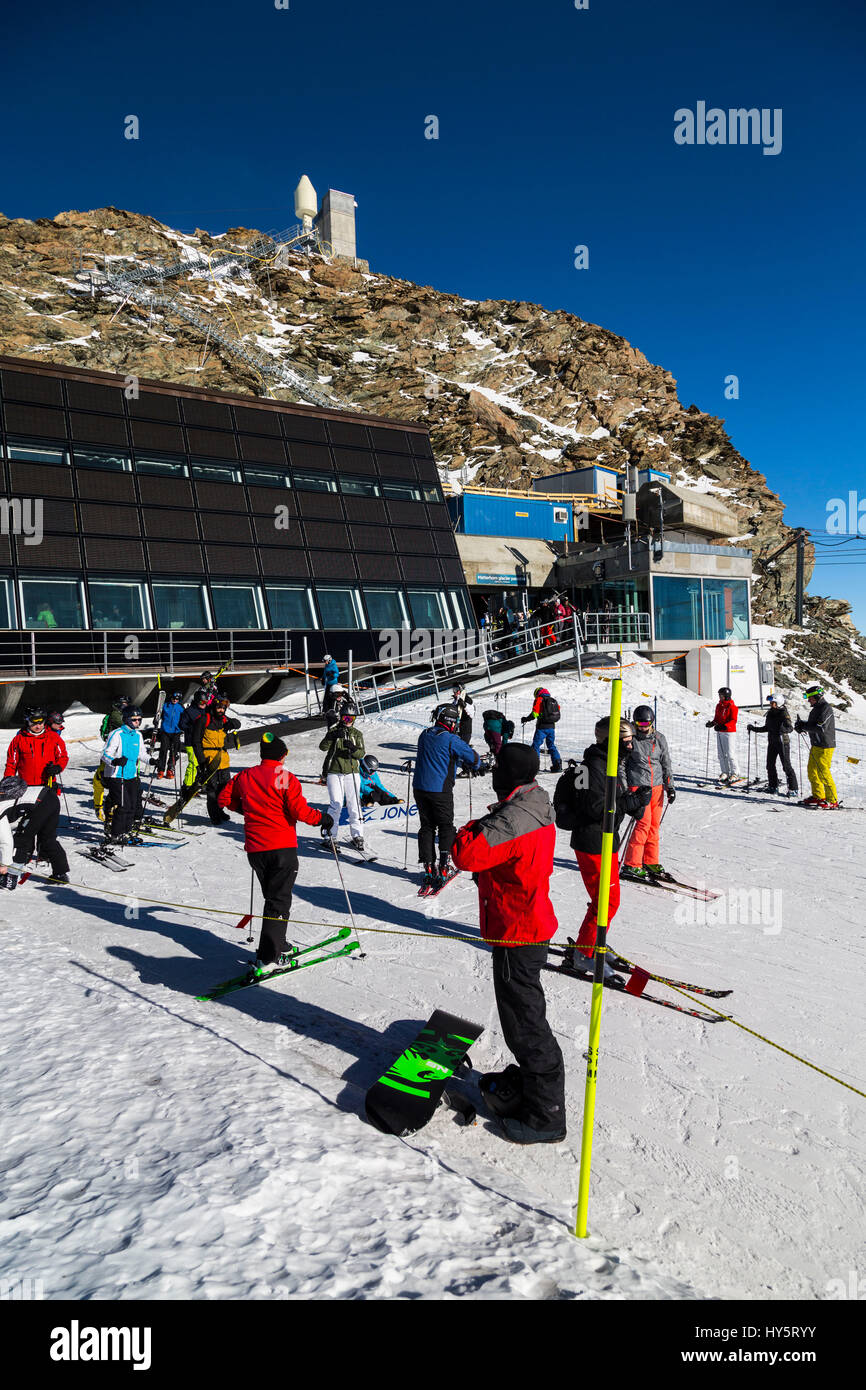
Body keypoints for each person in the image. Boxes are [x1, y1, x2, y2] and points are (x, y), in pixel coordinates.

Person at [452, 744, 565, 1145]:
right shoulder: (532, 800)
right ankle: (533, 1087)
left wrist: (472, 828)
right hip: (525, 920)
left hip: (518, 929)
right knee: (522, 1014)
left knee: (525, 1025)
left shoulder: (514, 817)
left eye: (499, 769)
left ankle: (546, 1115)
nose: (494, 774)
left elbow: (466, 854)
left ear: (511, 776)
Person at [218, 732, 333, 972]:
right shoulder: (283, 776)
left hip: (256, 849)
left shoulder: (246, 775)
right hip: (281, 846)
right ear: (282, 755)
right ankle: (269, 957)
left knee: (273, 898)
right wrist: (322, 818)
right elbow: (298, 811)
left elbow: (225, 798)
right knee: (278, 901)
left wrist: (246, 810)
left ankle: (277, 941)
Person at [553, 717, 651, 966]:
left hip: (604, 840)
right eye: (625, 742)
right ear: (610, 741)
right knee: (606, 901)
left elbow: (608, 802)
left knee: (606, 900)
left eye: (631, 741)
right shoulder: (596, 767)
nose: (630, 747)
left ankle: (595, 940)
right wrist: (631, 803)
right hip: (594, 841)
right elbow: (598, 810)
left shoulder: (607, 762)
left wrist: (633, 799)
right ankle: (583, 954)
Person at [411, 703, 481, 892]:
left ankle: (427, 867)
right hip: (439, 789)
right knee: (445, 826)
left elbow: (439, 755)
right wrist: (475, 765)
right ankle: (443, 867)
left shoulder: (424, 734)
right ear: (451, 722)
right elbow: (473, 758)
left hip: (419, 788)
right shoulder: (450, 739)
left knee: (426, 826)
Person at [3, 710, 70, 885]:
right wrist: (8, 785)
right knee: (26, 829)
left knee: (45, 833)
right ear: (27, 722)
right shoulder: (19, 739)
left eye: (40, 722)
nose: (38, 726)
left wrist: (57, 767)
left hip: (46, 789)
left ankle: (58, 870)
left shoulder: (53, 737)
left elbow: (63, 756)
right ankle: (23, 858)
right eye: (34, 723)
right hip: (25, 790)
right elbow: (11, 764)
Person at [620, 704, 675, 881]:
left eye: (646, 724)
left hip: (657, 787)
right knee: (643, 825)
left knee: (654, 826)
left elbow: (666, 763)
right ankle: (631, 864)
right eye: (639, 724)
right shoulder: (631, 739)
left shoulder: (659, 738)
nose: (643, 728)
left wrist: (670, 786)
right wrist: (625, 787)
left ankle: (650, 860)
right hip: (638, 787)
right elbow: (621, 765)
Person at [319, 699, 366, 851]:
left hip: (352, 772)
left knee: (354, 804)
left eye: (351, 719)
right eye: (345, 718)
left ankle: (357, 835)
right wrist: (331, 737)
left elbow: (361, 753)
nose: (348, 721)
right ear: (341, 717)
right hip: (334, 771)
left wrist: (352, 748)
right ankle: (330, 835)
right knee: (337, 804)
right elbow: (323, 747)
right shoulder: (334, 731)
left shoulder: (357, 734)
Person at [100, 705, 148, 845]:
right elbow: (105, 754)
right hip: (116, 775)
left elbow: (141, 754)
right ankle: (115, 834)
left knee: (132, 806)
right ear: (126, 720)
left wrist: (152, 760)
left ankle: (126, 832)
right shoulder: (116, 734)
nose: (137, 722)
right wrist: (114, 761)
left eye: (139, 719)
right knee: (123, 806)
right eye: (134, 720)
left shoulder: (138, 735)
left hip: (131, 775)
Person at [196, 696, 241, 825]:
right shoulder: (204, 719)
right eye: (219, 707)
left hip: (223, 760)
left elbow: (237, 723)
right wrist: (201, 761)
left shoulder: (224, 720)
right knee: (212, 790)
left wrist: (234, 723)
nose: (221, 710)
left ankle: (220, 810)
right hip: (209, 760)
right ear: (214, 707)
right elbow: (196, 742)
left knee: (224, 789)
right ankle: (214, 814)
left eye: (223, 708)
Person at [794, 685, 837, 808]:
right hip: (816, 744)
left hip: (825, 745)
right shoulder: (816, 709)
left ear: (817, 696)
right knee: (812, 771)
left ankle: (832, 799)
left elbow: (821, 727)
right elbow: (813, 725)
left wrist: (804, 726)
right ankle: (818, 796)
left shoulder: (826, 708)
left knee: (823, 772)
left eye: (810, 697)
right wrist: (802, 724)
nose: (808, 700)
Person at [748, 695, 798, 797]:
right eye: (770, 703)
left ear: (778, 703)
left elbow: (790, 728)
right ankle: (773, 786)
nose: (771, 705)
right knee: (770, 765)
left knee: (786, 766)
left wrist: (782, 729)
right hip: (772, 741)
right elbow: (767, 727)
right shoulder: (770, 712)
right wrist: (754, 729)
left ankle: (793, 789)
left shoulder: (783, 713)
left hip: (782, 742)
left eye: (773, 703)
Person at [706, 686, 743, 785]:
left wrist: (724, 726)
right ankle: (725, 772)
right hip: (720, 732)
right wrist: (712, 723)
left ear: (726, 696)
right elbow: (717, 718)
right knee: (721, 754)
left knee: (730, 753)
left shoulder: (732, 707)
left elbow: (733, 720)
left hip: (729, 732)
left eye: (721, 695)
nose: (720, 697)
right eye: (719, 695)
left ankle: (735, 773)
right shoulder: (719, 706)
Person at [521, 686, 562, 772]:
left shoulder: (539, 699)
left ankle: (535, 766)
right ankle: (557, 764)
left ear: (537, 693)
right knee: (551, 745)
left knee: (536, 745)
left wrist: (526, 719)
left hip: (542, 727)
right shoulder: (552, 700)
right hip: (552, 727)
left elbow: (535, 713)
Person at [180, 688, 210, 789]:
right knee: (193, 763)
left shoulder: (207, 711)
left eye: (206, 702)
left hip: (203, 742)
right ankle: (187, 785)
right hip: (191, 741)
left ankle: (200, 783)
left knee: (203, 764)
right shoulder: (189, 711)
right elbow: (181, 724)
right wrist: (192, 728)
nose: (204, 704)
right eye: (202, 702)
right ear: (197, 701)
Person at [156, 691, 184, 779]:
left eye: (177, 699)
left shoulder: (180, 708)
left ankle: (170, 769)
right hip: (165, 731)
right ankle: (161, 769)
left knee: (173, 752)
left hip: (176, 732)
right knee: (163, 750)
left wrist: (183, 727)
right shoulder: (165, 705)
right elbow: (158, 714)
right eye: (173, 698)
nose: (175, 700)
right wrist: (156, 719)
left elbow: (184, 719)